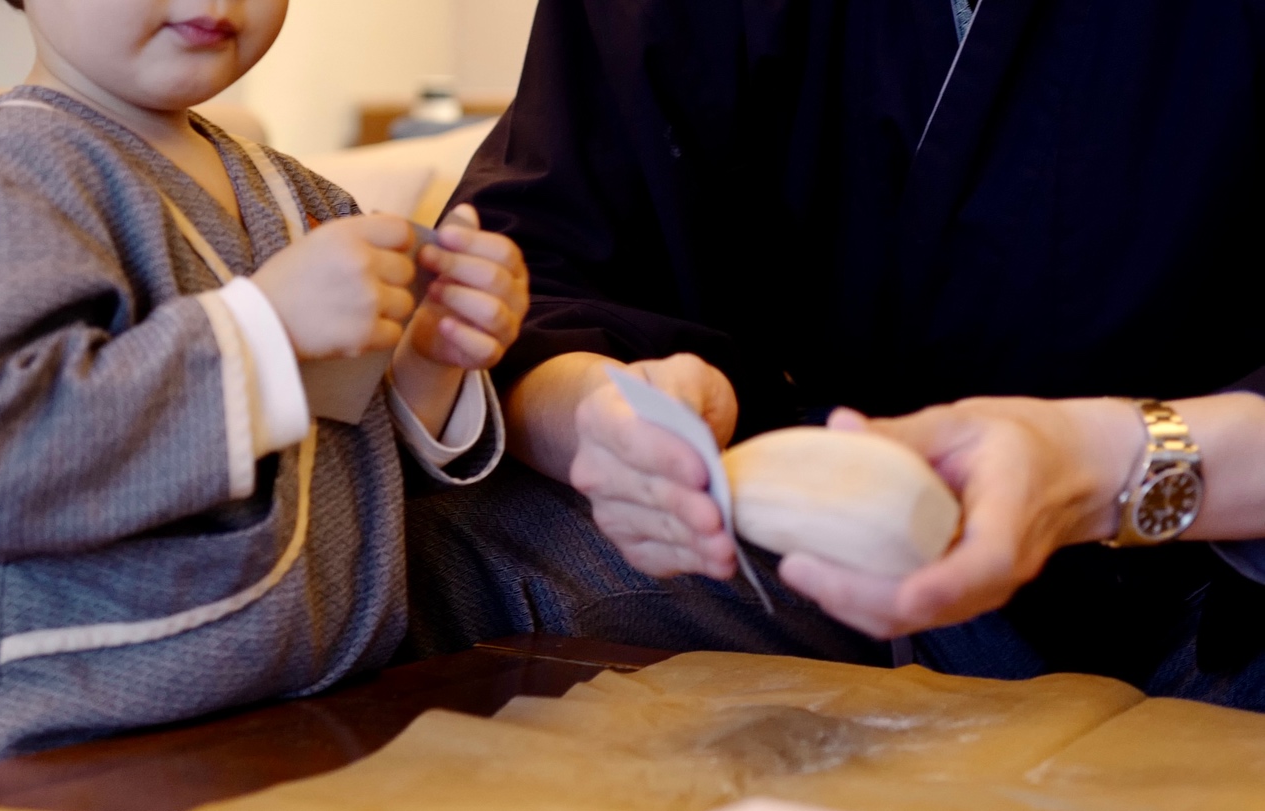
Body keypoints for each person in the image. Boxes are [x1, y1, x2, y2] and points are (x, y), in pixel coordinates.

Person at [406, 0, 1265, 708]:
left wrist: (1117, 467)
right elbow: (545, 266)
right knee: (443, 561)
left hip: (1219, 569)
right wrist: (603, 420)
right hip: (809, 548)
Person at [0, 0, 530, 783]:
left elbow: (333, 454)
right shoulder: (9, 177)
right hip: (49, 756)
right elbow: (2, 463)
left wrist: (431, 357)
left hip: (290, 724)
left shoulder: (300, 197)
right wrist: (266, 326)